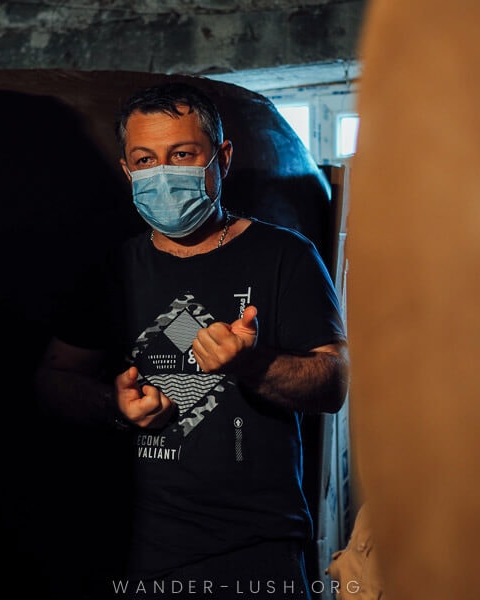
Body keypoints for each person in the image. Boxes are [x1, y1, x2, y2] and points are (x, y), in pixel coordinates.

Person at [35, 81, 349, 599]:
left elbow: (333, 382)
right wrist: (110, 405)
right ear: (126, 170)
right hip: (132, 549)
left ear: (221, 158)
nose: (162, 174)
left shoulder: (283, 256)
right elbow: (52, 379)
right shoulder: (112, 269)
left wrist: (253, 365)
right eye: (145, 159)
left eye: (181, 154)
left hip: (255, 550)